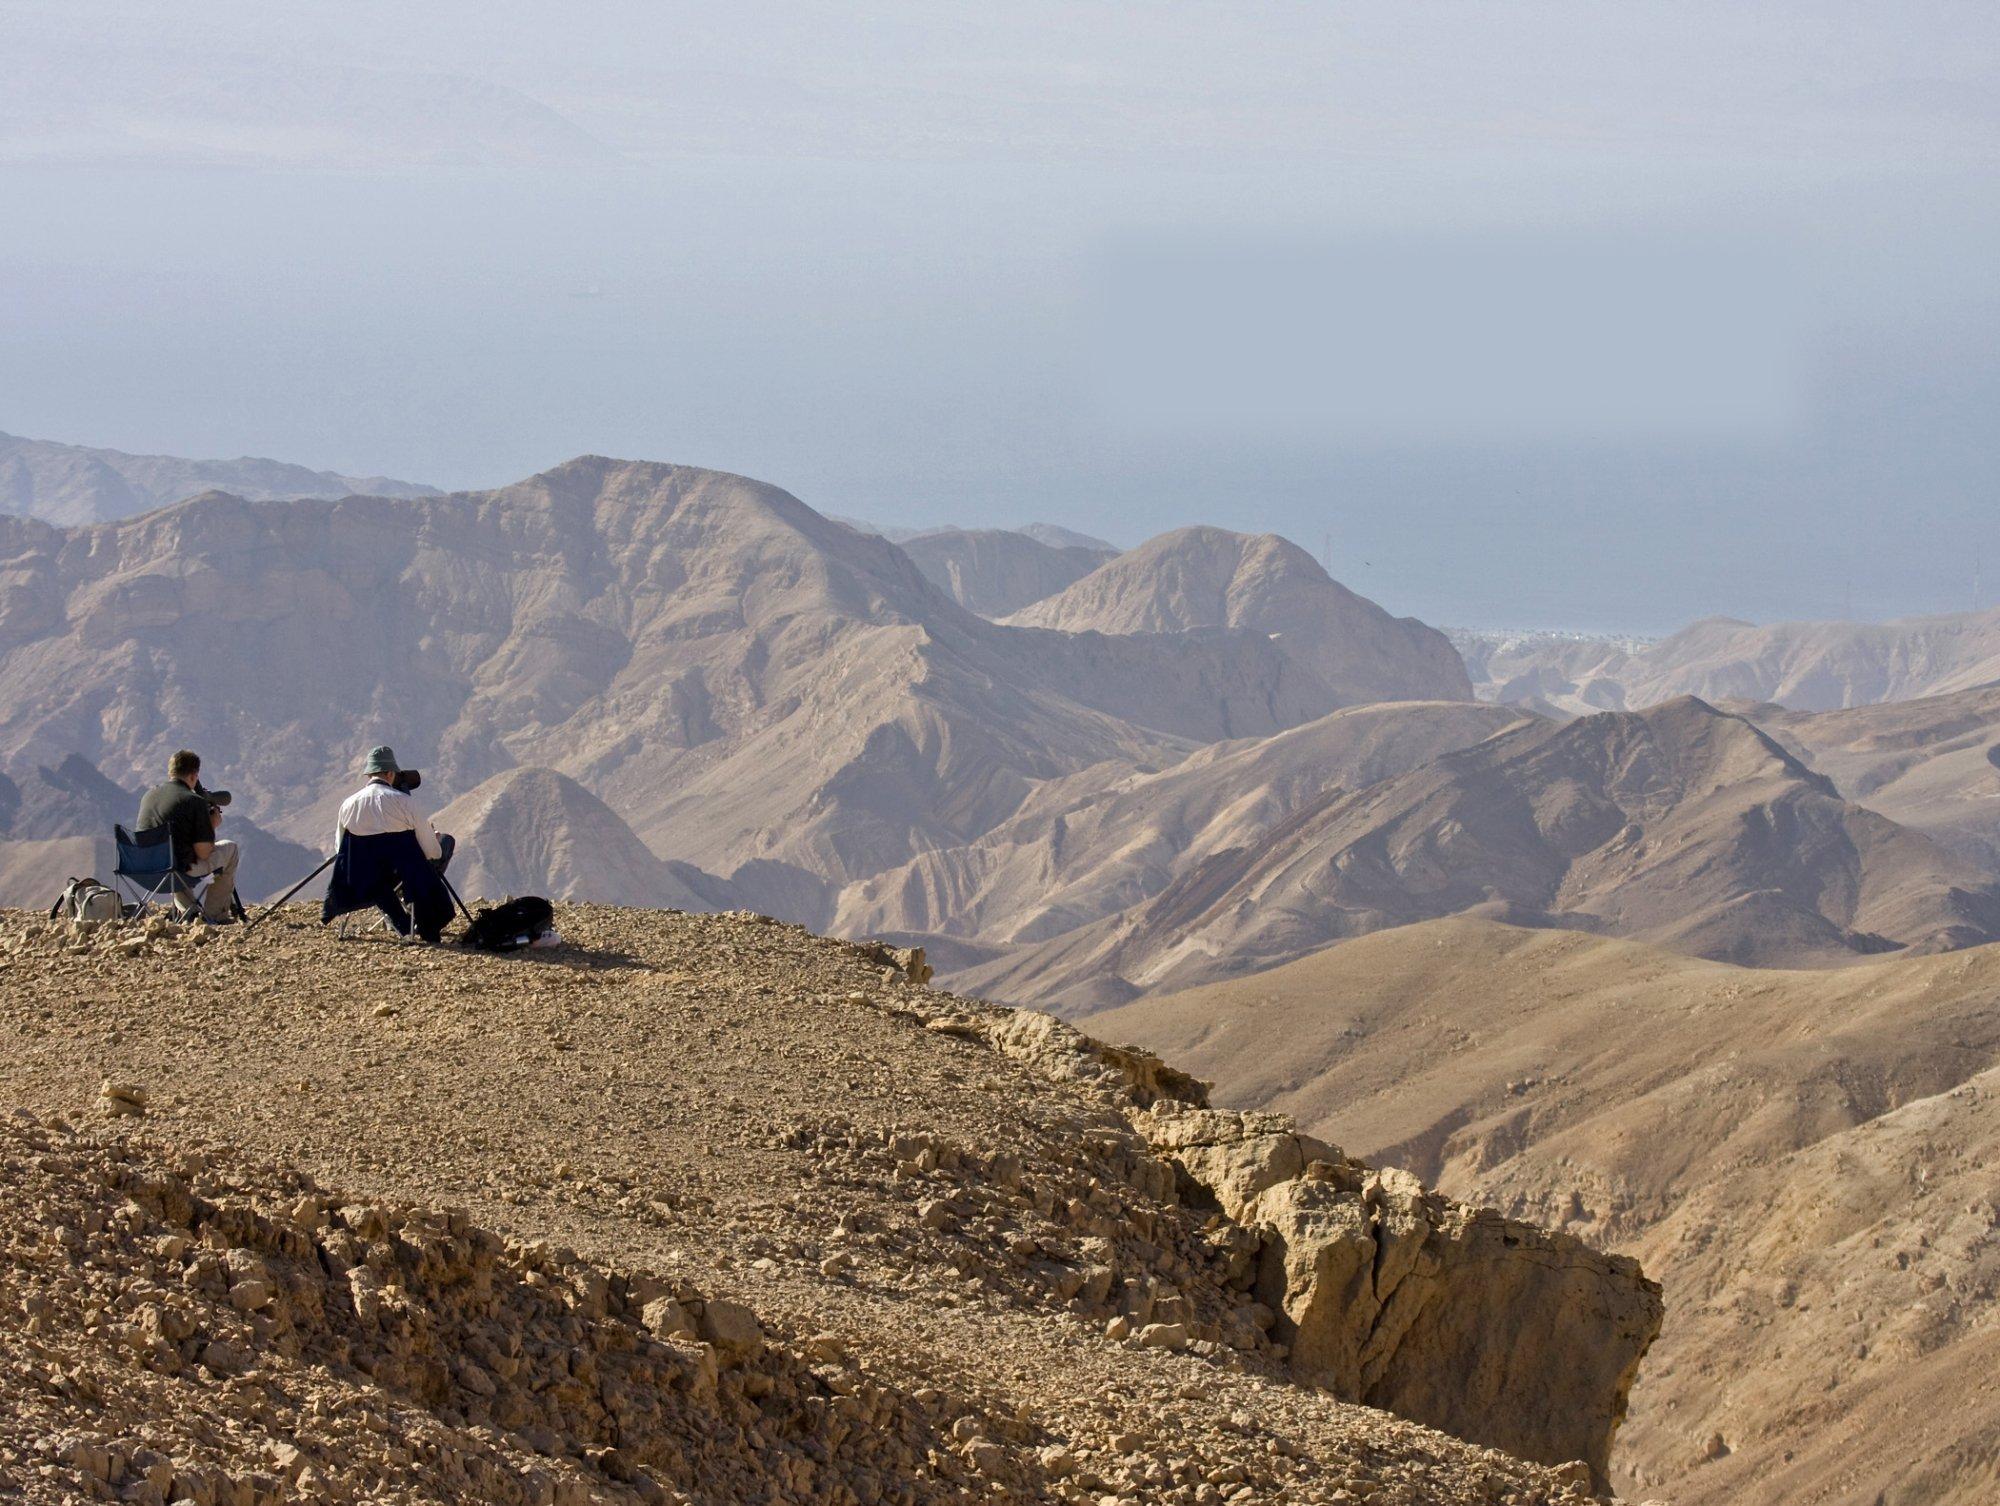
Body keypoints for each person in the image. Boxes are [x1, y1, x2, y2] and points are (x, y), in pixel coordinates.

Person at [321, 745, 457, 941]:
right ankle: (423, 919)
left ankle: (401, 923)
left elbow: (340, 847)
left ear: (369, 775)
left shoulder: (348, 805)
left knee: (381, 880)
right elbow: (432, 852)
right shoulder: (405, 803)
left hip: (362, 879)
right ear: (391, 773)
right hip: (403, 875)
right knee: (441, 846)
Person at [136, 749, 240, 923]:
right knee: (230, 848)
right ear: (193, 776)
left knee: (173, 855)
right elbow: (204, 853)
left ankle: (188, 912)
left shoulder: (149, 795)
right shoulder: (193, 801)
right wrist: (211, 825)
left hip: (145, 869)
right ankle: (215, 916)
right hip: (176, 870)